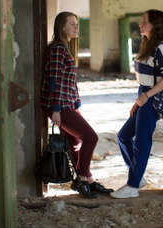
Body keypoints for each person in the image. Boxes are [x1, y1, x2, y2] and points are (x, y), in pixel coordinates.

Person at [41, 11, 113, 198]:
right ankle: (82, 177)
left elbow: (70, 81)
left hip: (68, 103)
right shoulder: (57, 49)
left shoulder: (66, 48)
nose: (76, 28)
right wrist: (56, 110)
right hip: (59, 105)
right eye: (72, 24)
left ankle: (86, 179)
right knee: (90, 137)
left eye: (76, 24)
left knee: (75, 141)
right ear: (62, 27)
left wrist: (76, 101)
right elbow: (54, 80)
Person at [111, 9, 163, 199]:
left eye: (144, 21)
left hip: (151, 98)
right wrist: (138, 102)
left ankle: (132, 186)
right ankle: (138, 178)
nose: (140, 25)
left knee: (142, 142)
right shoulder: (147, 45)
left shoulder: (160, 47)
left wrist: (146, 97)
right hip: (143, 96)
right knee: (123, 136)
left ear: (154, 25)